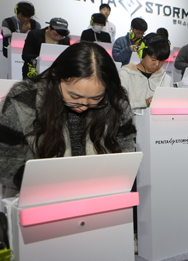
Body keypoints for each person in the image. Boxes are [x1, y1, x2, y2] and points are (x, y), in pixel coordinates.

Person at [0, 42, 136, 198]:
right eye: (74, 96)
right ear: (56, 77)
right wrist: (38, 181)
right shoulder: (24, 99)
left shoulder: (116, 100)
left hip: (100, 196)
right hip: (36, 197)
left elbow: (125, 148)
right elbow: (4, 158)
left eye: (95, 98)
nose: (84, 105)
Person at [118, 33, 173, 109]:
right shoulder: (125, 74)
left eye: (161, 60)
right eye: (153, 59)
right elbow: (119, 106)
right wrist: (145, 103)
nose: (157, 64)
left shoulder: (166, 79)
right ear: (142, 53)